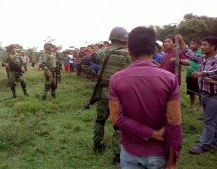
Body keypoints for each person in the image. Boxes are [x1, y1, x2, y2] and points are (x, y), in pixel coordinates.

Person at [109, 26, 182, 169]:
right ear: (155, 50)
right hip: (159, 154)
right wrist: (172, 161)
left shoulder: (115, 79)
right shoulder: (170, 79)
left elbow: (116, 120)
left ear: (129, 50)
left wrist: (150, 133)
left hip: (130, 154)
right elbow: (174, 122)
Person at [93, 27, 131, 165]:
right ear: (124, 38)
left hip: (102, 92)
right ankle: (117, 154)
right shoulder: (128, 54)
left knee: (100, 120)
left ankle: (97, 145)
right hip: (119, 95)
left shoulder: (102, 52)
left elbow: (95, 59)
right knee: (118, 125)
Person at [177, 35, 217, 154]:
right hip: (204, 94)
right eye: (202, 44)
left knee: (209, 121)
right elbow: (188, 53)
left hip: (214, 95)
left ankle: (203, 145)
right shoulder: (202, 58)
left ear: (213, 46)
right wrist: (182, 41)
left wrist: (202, 73)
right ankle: (213, 141)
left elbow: (215, 72)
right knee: (212, 120)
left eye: (205, 45)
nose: (201, 47)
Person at [186, 39, 202, 110]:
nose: (192, 45)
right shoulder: (188, 52)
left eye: (194, 43)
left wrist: (198, 73)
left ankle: (201, 106)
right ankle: (192, 105)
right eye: (191, 43)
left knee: (200, 91)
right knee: (191, 91)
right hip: (189, 75)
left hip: (199, 75)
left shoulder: (201, 52)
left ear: (198, 45)